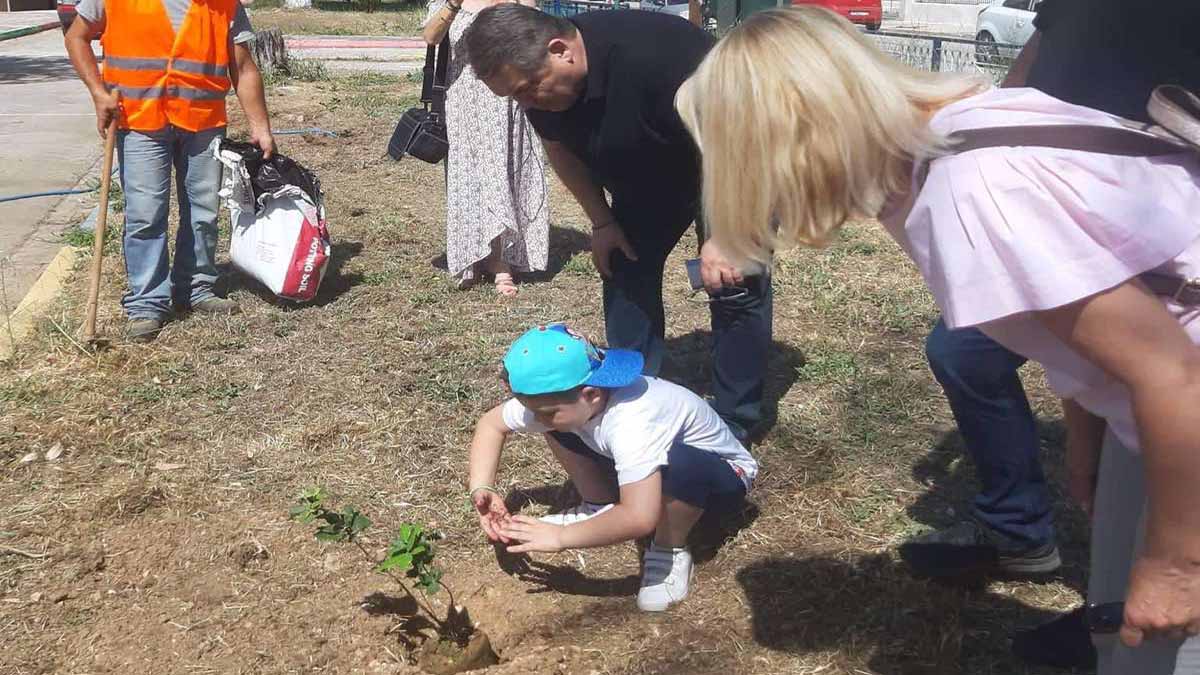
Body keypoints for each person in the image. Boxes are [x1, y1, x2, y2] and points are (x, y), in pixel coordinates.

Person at [675, 7, 1200, 674]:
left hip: (1185, 405)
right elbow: (1098, 312)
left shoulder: (974, 190)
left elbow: (1177, 377)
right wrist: (1087, 436)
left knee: (1164, 651)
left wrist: (1177, 566)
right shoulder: (944, 142)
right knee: (1123, 629)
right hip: (1161, 414)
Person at [459, 5, 774, 442]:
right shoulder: (539, 89)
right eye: (515, 97)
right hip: (650, 176)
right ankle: (631, 401)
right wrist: (602, 221)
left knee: (733, 282)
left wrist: (725, 233)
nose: (526, 104)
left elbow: (741, 138)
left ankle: (736, 420)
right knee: (624, 265)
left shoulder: (660, 53)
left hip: (732, 163)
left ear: (560, 50)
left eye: (529, 90)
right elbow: (560, 150)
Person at [467, 323, 757, 612]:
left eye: (546, 412)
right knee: (560, 427)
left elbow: (639, 517)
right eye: (533, 411)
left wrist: (561, 538)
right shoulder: (562, 399)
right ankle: (597, 505)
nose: (538, 419)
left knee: (680, 462)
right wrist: (483, 487)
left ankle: (670, 547)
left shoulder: (634, 419)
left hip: (720, 481)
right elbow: (491, 425)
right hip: (650, 464)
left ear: (591, 394)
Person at [65, 0, 275, 343]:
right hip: (139, 123)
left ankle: (196, 286)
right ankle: (147, 302)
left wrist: (260, 125)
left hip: (203, 124)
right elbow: (76, 37)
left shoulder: (223, 5)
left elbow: (243, 66)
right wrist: (98, 93)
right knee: (146, 214)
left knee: (204, 211)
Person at [421, 0, 549, 296]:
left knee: (505, 173)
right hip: (464, 99)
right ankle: (471, 254)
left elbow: (536, 39)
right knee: (468, 176)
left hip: (508, 98)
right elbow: (431, 37)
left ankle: (501, 262)